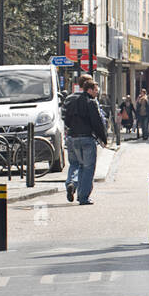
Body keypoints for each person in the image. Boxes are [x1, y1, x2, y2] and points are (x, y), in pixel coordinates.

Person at [63, 76, 107, 205]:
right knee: (88, 168)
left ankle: (72, 183)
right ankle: (83, 197)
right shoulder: (91, 102)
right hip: (87, 137)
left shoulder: (70, 99)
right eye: (96, 90)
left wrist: (70, 130)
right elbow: (97, 122)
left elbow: (65, 118)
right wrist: (103, 138)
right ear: (89, 89)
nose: (97, 92)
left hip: (73, 137)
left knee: (76, 164)